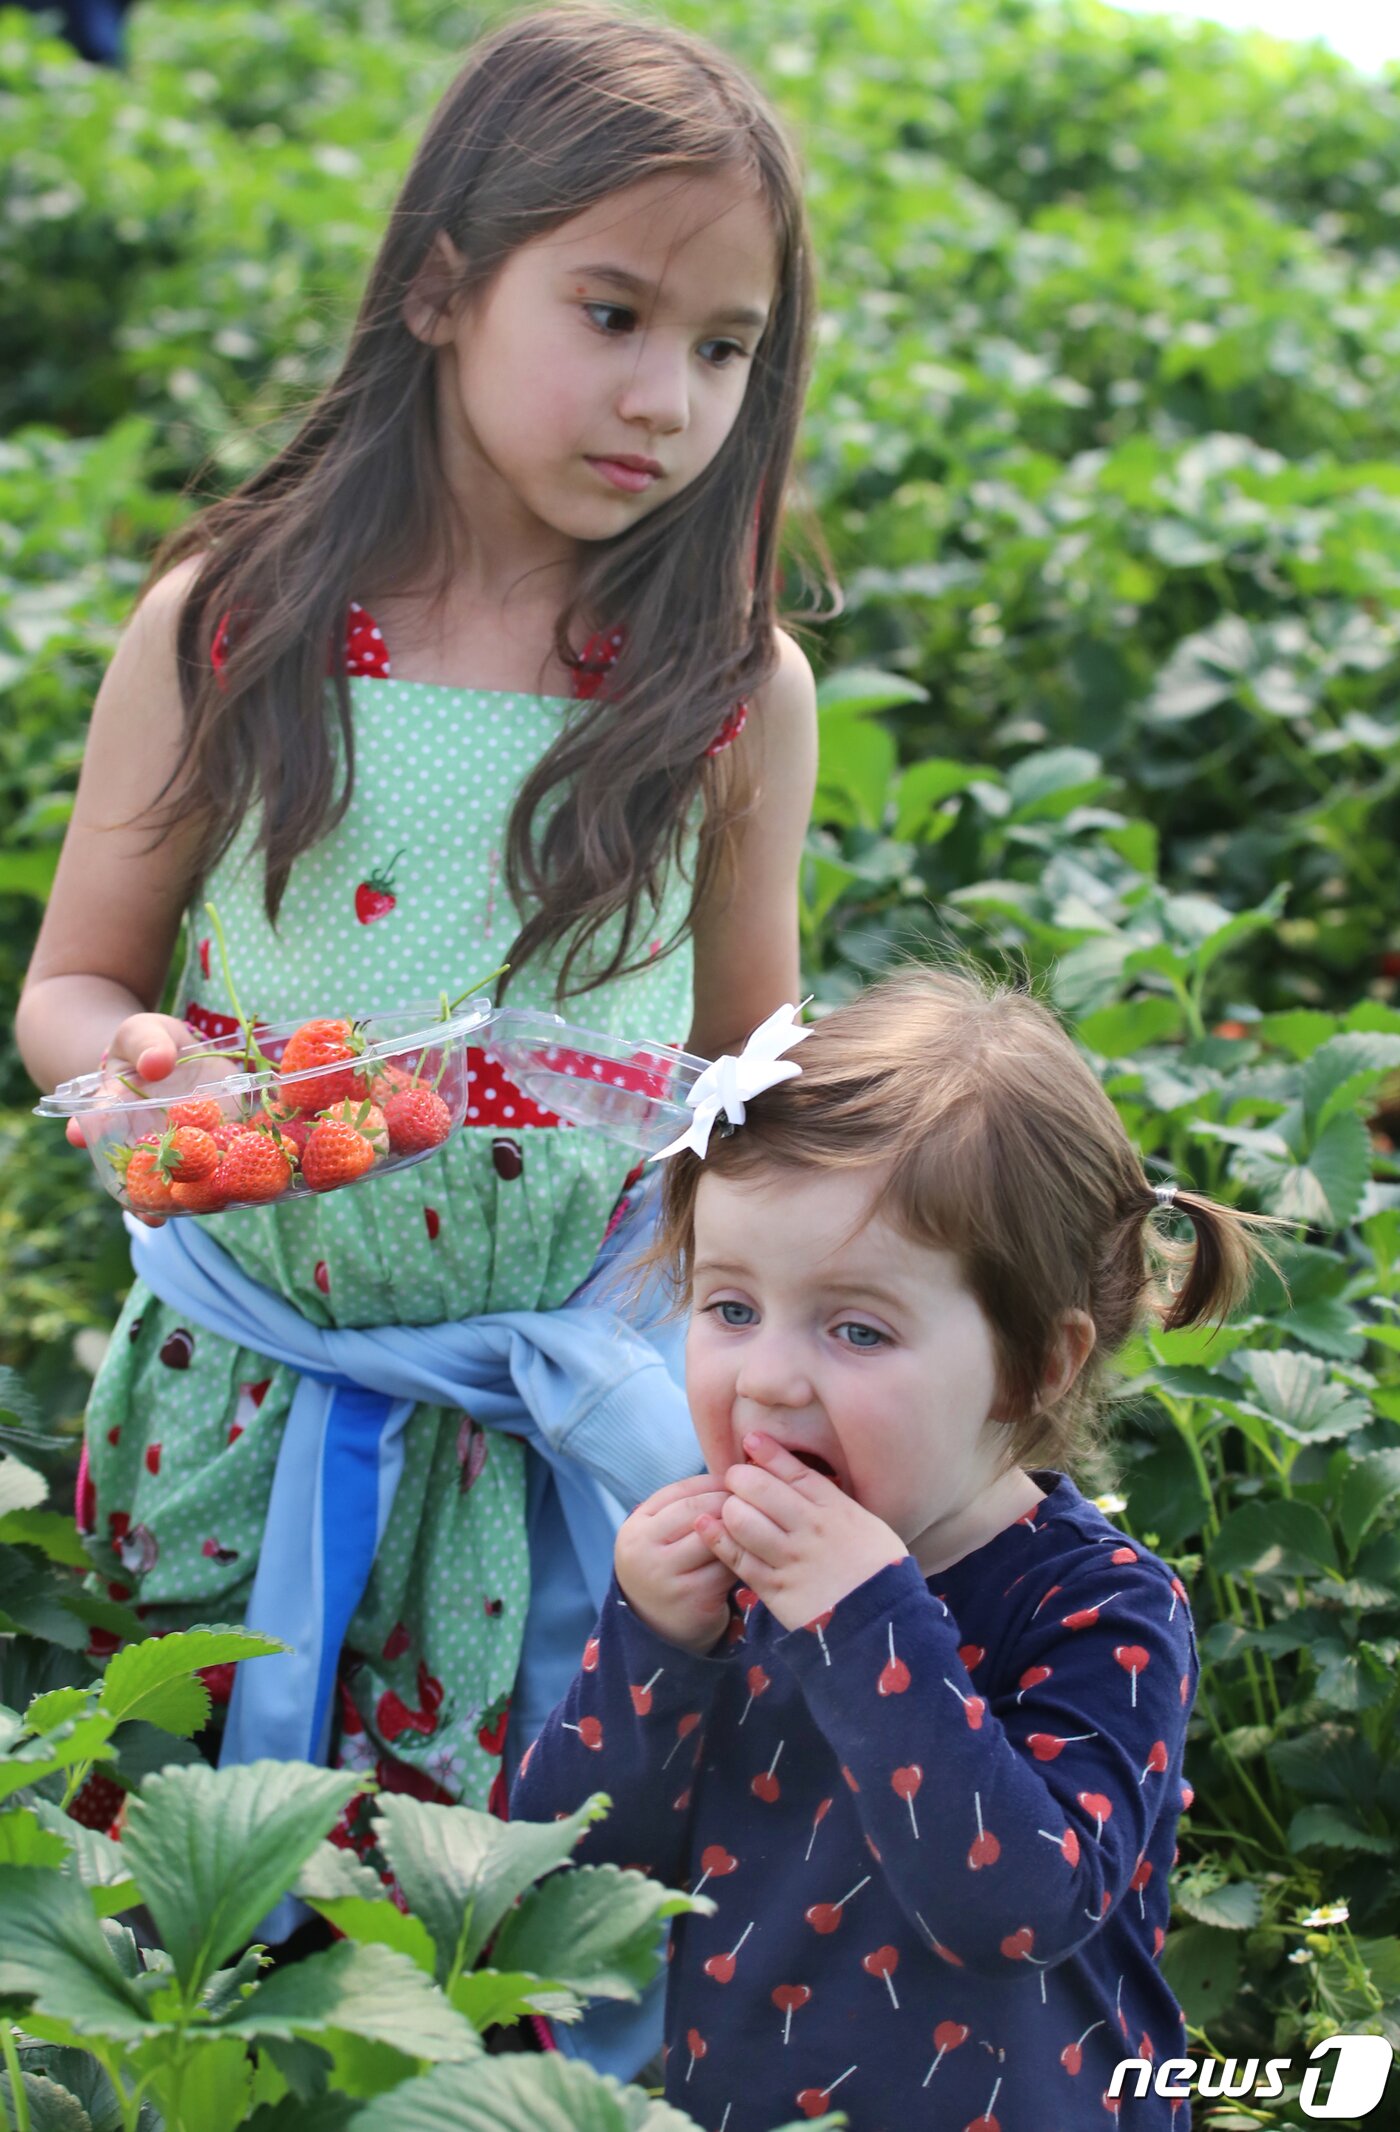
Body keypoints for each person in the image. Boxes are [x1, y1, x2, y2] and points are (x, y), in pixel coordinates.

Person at [16, 0, 825, 2044]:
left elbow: (754, 1064)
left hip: (560, 1423)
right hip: (243, 1388)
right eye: (616, 311)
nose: (665, 396)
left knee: (500, 1939)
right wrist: (155, 1078)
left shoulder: (725, 687)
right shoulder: (242, 619)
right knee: (185, 1906)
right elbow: (74, 981)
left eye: (723, 348)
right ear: (442, 287)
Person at [511, 963, 1267, 2129]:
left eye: (856, 1326)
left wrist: (863, 1616)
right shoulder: (726, 1586)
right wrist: (653, 1645)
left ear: (1035, 1364)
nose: (765, 1375)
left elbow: (1016, 1906)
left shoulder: (1099, 1605)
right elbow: (566, 1887)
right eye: (727, 1307)